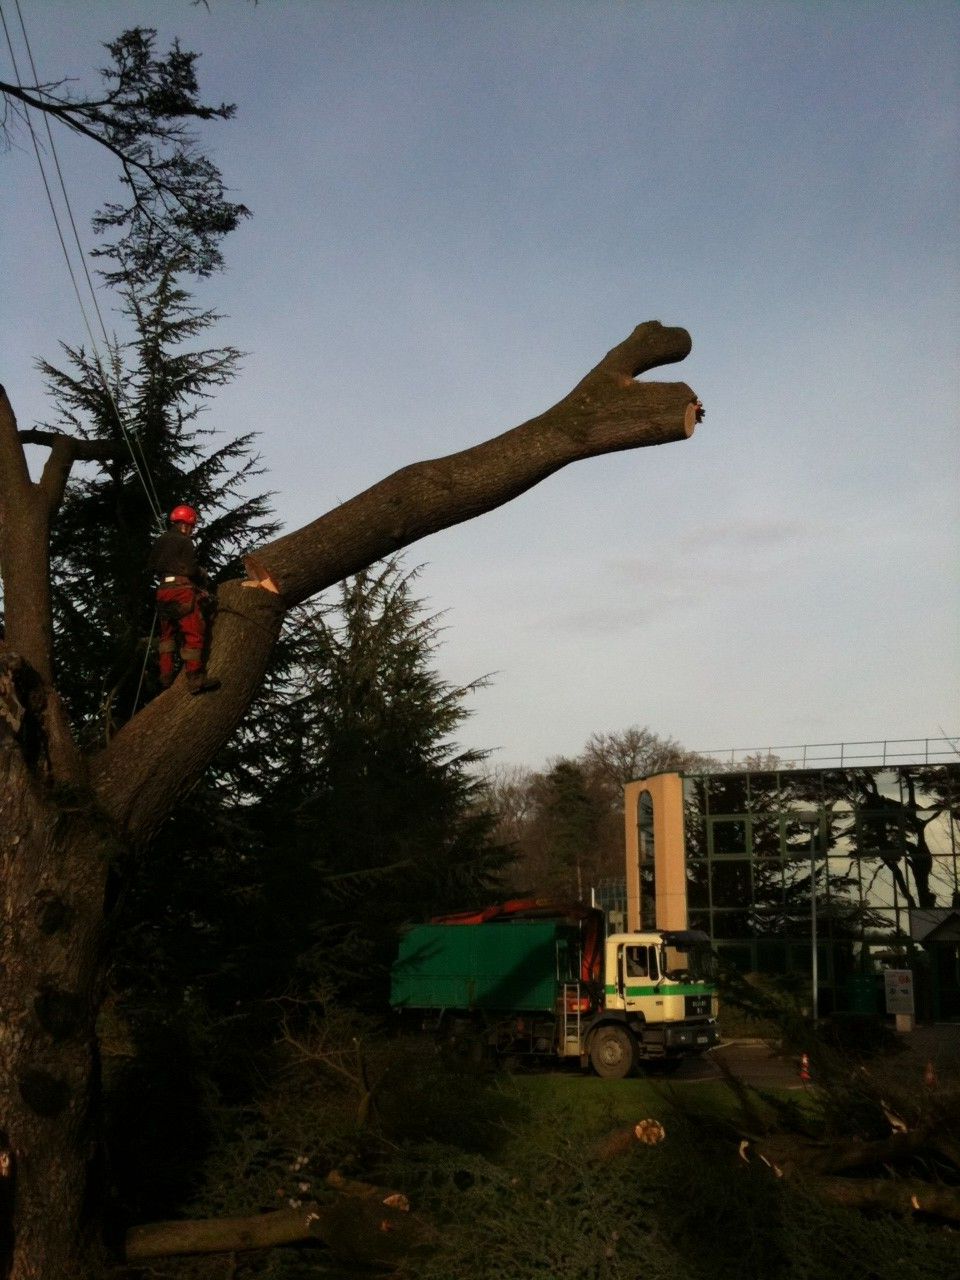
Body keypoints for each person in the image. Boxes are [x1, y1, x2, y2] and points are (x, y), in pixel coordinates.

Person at [147, 504, 220, 695]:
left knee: (166, 636)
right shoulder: (185, 542)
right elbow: (189, 569)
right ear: (186, 525)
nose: (191, 531)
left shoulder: (160, 540)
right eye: (191, 527)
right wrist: (201, 574)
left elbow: (152, 565)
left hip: (163, 591)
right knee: (194, 633)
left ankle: (165, 677)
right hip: (182, 592)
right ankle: (195, 678)